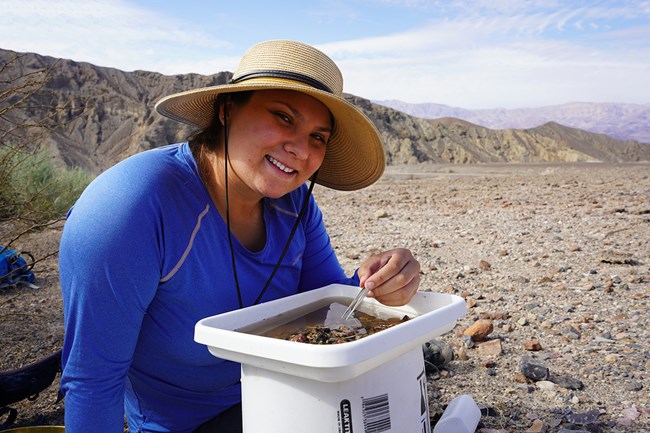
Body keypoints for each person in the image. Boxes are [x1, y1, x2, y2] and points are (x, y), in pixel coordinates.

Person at [59, 40, 421, 433]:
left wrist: (379, 285)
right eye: (284, 117)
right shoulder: (132, 207)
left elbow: (327, 308)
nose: (301, 149)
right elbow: (92, 381)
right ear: (227, 111)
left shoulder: (295, 205)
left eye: (318, 137)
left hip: (291, 395)